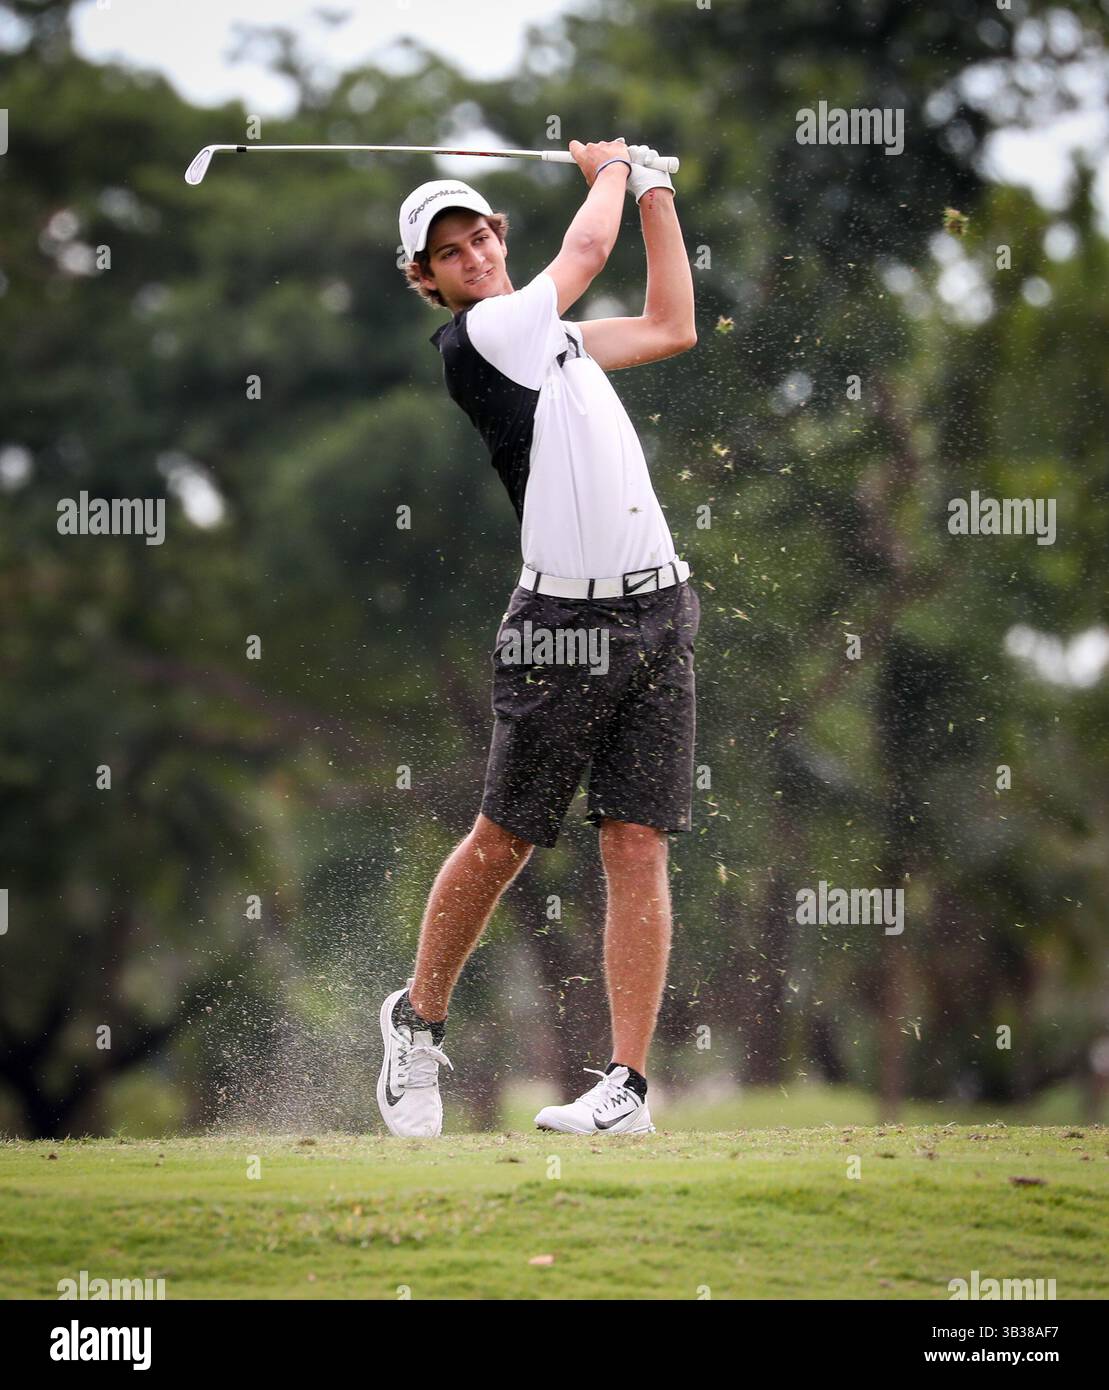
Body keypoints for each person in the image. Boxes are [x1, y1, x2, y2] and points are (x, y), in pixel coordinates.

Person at [378, 138, 700, 1138]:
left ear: (496, 235)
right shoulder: (481, 341)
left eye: (480, 234)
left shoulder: (554, 340)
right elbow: (587, 252)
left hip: (658, 607)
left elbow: (670, 324)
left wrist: (652, 190)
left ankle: (627, 1090)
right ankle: (414, 1020)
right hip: (558, 628)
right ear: (424, 278)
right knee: (505, 837)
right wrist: (608, 166)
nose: (472, 252)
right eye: (449, 249)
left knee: (637, 840)